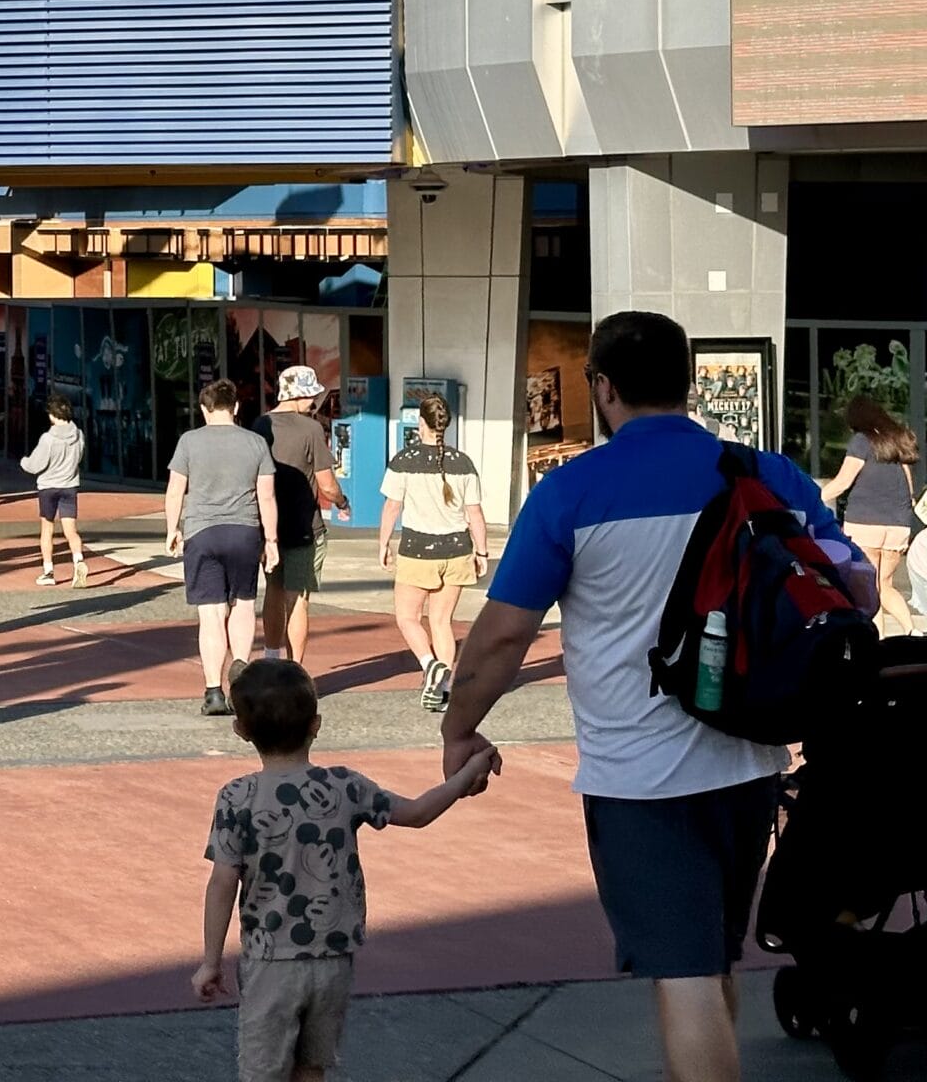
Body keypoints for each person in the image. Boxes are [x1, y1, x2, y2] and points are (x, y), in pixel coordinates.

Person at [441, 311, 873, 1082]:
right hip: (751, 758)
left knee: (685, 973)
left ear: (602, 388)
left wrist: (459, 726)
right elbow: (857, 591)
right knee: (711, 963)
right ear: (691, 382)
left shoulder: (572, 491)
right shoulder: (767, 473)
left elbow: (503, 636)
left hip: (638, 778)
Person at [192, 659, 494, 1081]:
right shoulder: (344, 786)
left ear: (240, 730)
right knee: (313, 1067)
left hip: (270, 958)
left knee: (263, 1070)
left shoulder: (237, 798)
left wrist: (211, 960)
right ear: (316, 724)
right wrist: (466, 776)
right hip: (333, 955)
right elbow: (417, 813)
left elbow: (222, 882)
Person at [166, 381, 280, 718]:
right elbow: (267, 496)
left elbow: (176, 490)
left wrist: (173, 528)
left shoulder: (189, 441)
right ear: (236, 408)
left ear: (204, 409)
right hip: (245, 532)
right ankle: (241, 677)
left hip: (202, 532)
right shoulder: (256, 443)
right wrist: (270, 540)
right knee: (244, 604)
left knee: (211, 613)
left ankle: (213, 692)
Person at [375, 393, 487, 710]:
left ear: (421, 423)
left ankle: (429, 664)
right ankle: (446, 688)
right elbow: (475, 513)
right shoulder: (463, 463)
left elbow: (391, 507)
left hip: (417, 550)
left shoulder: (403, 460)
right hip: (457, 550)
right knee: (441, 621)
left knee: (408, 617)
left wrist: (383, 544)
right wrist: (481, 552)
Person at [261, 366, 346, 667]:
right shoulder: (310, 429)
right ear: (299, 395)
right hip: (303, 526)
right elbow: (327, 484)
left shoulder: (260, 425)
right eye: (312, 395)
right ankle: (295, 668)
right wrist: (342, 501)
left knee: (272, 590)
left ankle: (270, 659)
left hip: (269, 527)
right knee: (297, 599)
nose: (314, 401)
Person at [821, 395, 919, 636]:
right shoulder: (895, 440)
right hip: (897, 523)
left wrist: (816, 496)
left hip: (866, 521)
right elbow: (908, 482)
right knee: (885, 584)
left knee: (868, 586)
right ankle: (911, 631)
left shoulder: (862, 441)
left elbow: (843, 481)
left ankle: (878, 640)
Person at [19, 388, 87, 587]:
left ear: (52, 414)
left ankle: (48, 571)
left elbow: (35, 464)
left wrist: (24, 462)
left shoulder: (48, 439)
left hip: (48, 486)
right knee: (71, 530)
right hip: (70, 485)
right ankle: (79, 560)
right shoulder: (79, 435)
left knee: (47, 528)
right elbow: (79, 457)